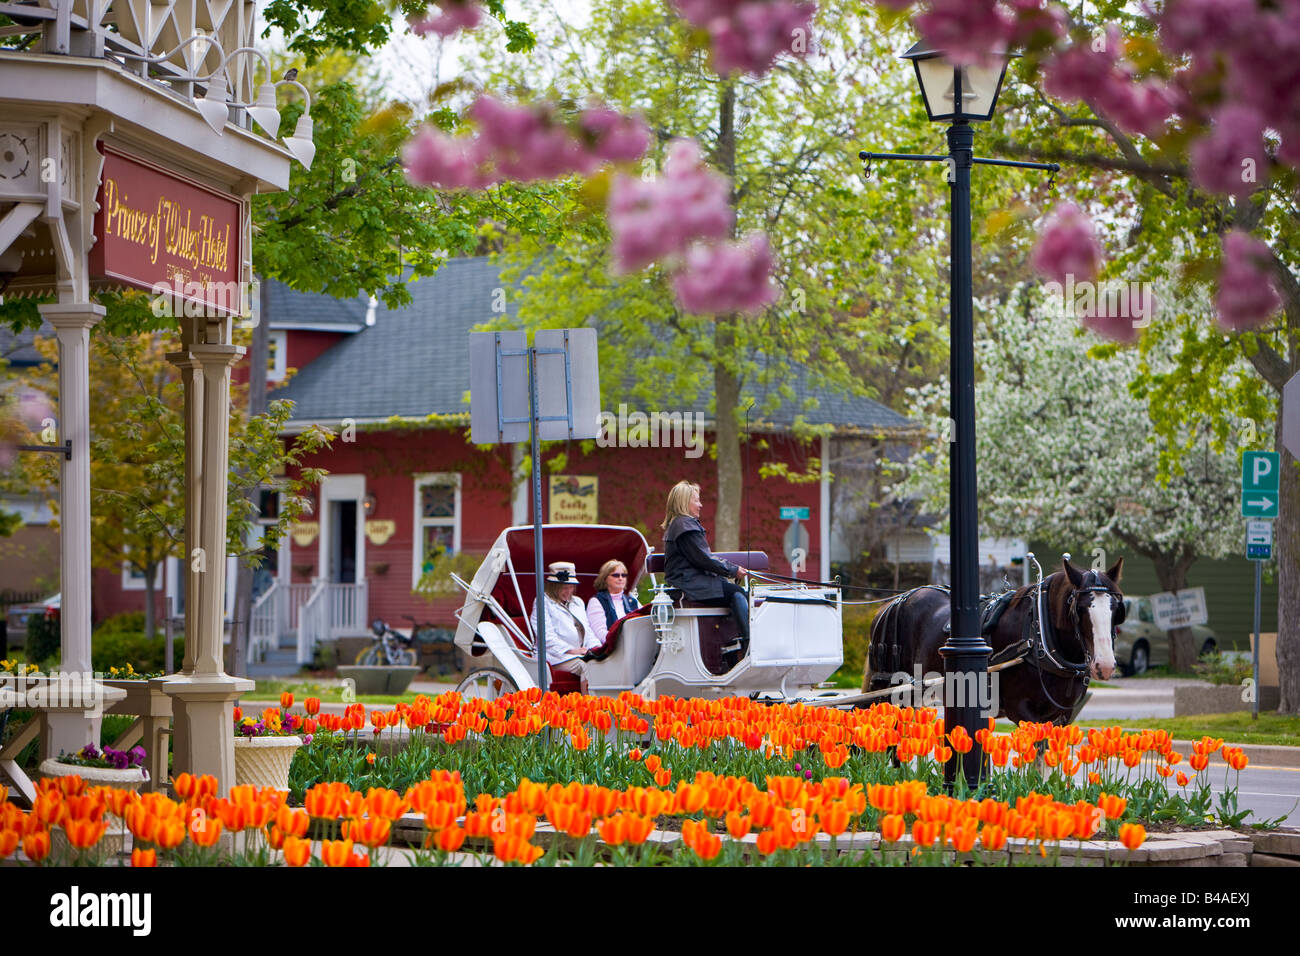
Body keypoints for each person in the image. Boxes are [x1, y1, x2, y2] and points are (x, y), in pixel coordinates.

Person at [661, 480, 750, 643]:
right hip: (691, 584)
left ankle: (737, 643)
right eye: (696, 500)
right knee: (738, 593)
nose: (700, 505)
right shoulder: (685, 525)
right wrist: (733, 570)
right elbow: (704, 559)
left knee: (736, 591)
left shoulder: (679, 524)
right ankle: (748, 643)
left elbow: (702, 558)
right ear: (684, 502)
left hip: (690, 582)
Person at [529, 561, 597, 693]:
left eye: (571, 587)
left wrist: (596, 648)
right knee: (587, 667)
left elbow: (587, 631)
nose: (569, 591)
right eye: (564, 587)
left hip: (580, 653)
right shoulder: (542, 601)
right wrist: (571, 651)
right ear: (554, 586)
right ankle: (588, 708)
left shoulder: (578, 602)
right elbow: (546, 637)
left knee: (600, 663)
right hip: (554, 656)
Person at [586, 559, 641, 645]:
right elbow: (600, 633)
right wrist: (622, 644)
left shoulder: (632, 601)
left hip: (634, 645)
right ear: (605, 578)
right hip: (611, 650)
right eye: (616, 575)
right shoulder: (596, 601)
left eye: (623, 575)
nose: (620, 578)